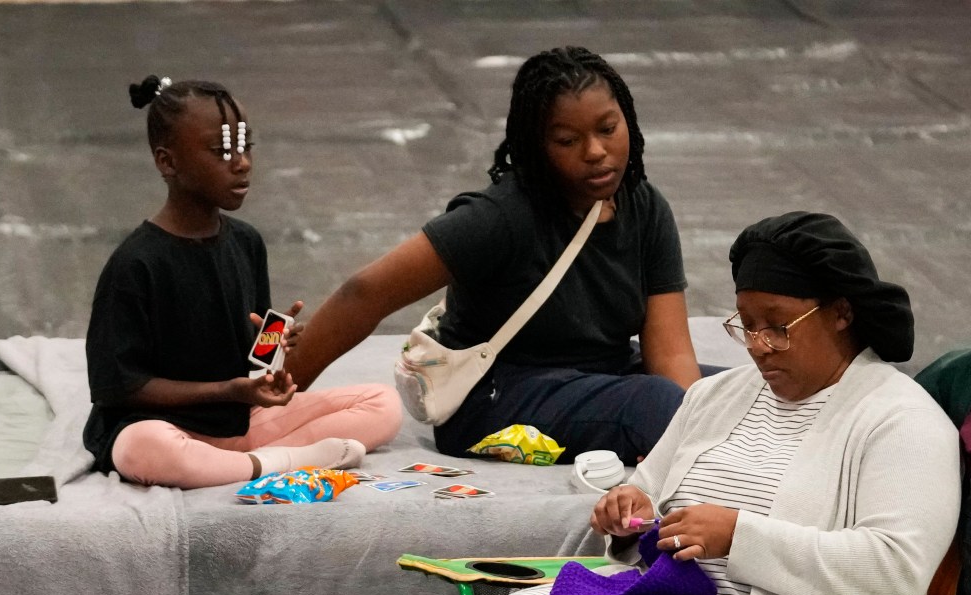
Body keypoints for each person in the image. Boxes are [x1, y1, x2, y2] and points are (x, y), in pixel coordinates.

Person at [412, 211, 958, 595]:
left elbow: (895, 573)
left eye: (779, 328)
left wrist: (738, 536)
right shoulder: (716, 396)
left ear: (842, 312)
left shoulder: (901, 421)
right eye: (747, 326)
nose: (759, 347)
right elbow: (648, 493)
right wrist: (628, 512)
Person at [281, 47, 700, 463]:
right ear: (537, 146)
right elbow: (365, 293)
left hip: (606, 378)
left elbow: (672, 353)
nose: (594, 151)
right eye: (568, 140)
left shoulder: (645, 207)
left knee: (745, 390)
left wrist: (695, 418)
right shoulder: (500, 217)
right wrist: (275, 394)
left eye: (608, 129)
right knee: (657, 403)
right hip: (498, 396)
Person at [85, 76, 402, 488]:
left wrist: (275, 345)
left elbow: (252, 359)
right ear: (167, 162)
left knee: (384, 403)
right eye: (222, 152)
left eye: (245, 147)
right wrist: (227, 391)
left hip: (239, 422)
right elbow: (118, 388)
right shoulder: (136, 263)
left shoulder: (246, 242)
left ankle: (245, 462)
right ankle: (288, 461)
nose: (242, 163)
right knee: (143, 447)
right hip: (165, 429)